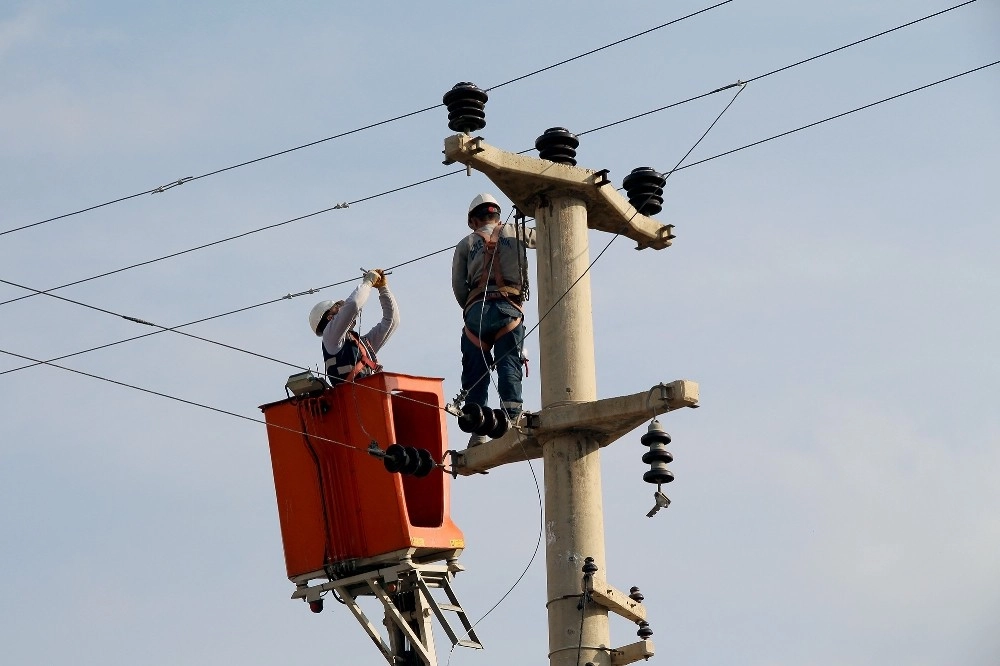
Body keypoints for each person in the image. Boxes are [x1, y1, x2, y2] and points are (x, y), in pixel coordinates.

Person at [452, 193, 535, 444]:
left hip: (476, 314)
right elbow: (550, 232)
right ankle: (512, 420)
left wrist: (470, 310)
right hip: (508, 311)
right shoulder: (517, 231)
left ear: (473, 220)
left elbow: (458, 285)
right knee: (509, 364)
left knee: (475, 371)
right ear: (497, 214)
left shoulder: (466, 243)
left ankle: (478, 431)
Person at [308, 268, 399, 383]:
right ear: (329, 318)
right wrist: (368, 282)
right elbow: (354, 305)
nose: (342, 308)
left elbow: (392, 322)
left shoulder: (360, 345)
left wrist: (383, 288)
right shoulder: (330, 337)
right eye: (337, 307)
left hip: (370, 394)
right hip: (353, 396)